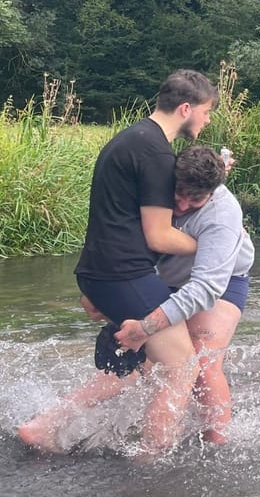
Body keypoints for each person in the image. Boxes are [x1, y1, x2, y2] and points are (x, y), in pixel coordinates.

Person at [18, 69, 218, 457]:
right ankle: (151, 462)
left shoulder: (130, 138)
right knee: (182, 367)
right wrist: (208, 245)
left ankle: (44, 426)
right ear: (185, 108)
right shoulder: (156, 152)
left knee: (138, 365)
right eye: (207, 111)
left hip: (101, 272)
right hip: (124, 273)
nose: (208, 119)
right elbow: (158, 236)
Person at [115, 145, 254, 444]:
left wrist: (145, 327)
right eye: (178, 193)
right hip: (167, 277)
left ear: (211, 193)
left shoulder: (222, 214)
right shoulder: (158, 183)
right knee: (149, 358)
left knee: (203, 358)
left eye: (196, 199)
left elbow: (205, 289)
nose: (182, 204)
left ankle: (217, 443)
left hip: (220, 280)